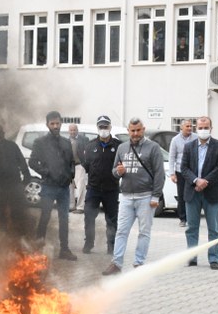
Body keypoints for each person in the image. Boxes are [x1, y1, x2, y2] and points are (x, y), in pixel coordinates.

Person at [102, 118, 164, 275]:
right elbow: (114, 171)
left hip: (146, 197)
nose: (135, 133)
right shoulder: (122, 148)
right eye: (132, 130)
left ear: (143, 129)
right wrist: (118, 172)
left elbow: (159, 174)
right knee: (121, 231)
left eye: (138, 130)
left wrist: (156, 196)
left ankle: (138, 263)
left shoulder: (153, 147)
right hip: (126, 197)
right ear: (128, 130)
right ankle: (116, 263)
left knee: (144, 232)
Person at [180, 116, 218, 269]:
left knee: (213, 228)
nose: (203, 130)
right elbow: (184, 168)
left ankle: (214, 258)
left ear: (211, 128)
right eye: (200, 128)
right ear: (196, 129)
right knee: (191, 227)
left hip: (211, 192)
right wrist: (196, 180)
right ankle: (192, 257)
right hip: (192, 191)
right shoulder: (188, 147)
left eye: (206, 127)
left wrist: (205, 181)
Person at [29, 110, 76, 261]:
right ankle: (38, 248)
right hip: (48, 186)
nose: (55, 126)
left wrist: (70, 175)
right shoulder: (40, 142)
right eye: (52, 123)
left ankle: (65, 249)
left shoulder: (66, 142)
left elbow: (71, 162)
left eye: (57, 123)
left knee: (64, 219)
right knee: (45, 217)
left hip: (63, 188)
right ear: (47, 124)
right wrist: (46, 172)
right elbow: (32, 162)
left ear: (61, 123)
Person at [80, 115, 121, 255]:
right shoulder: (90, 146)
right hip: (94, 188)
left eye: (106, 126)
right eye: (101, 127)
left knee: (111, 219)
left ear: (110, 127)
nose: (104, 129)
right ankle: (88, 243)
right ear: (98, 128)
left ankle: (111, 245)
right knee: (89, 216)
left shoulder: (118, 145)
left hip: (111, 189)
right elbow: (86, 165)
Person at [168, 120, 195, 227]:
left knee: (193, 195)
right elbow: (171, 157)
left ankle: (192, 217)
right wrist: (172, 173)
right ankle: (183, 218)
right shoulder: (175, 140)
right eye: (187, 126)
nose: (189, 128)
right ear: (181, 128)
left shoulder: (196, 138)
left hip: (193, 171)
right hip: (180, 171)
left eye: (191, 126)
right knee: (182, 196)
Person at [67, 123, 88, 212]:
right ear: (68, 131)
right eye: (71, 130)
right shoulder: (66, 141)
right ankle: (71, 206)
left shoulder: (84, 139)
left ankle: (80, 207)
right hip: (68, 166)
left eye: (74, 130)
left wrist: (85, 164)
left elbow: (88, 151)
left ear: (77, 130)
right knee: (70, 187)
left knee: (80, 187)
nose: (72, 132)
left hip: (79, 165)